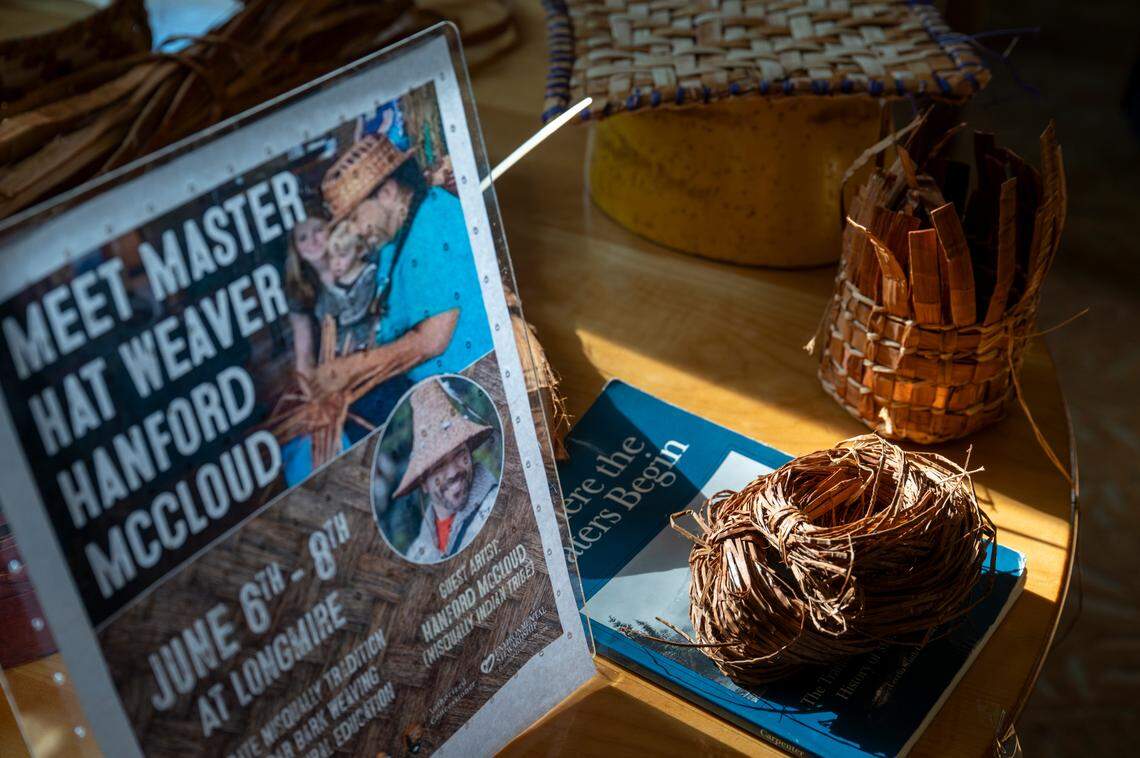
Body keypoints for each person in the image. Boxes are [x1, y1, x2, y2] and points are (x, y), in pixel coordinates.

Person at [391, 379, 499, 563]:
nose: (452, 472)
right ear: (423, 483)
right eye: (439, 465)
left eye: (459, 454)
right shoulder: (416, 555)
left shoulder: (499, 504)